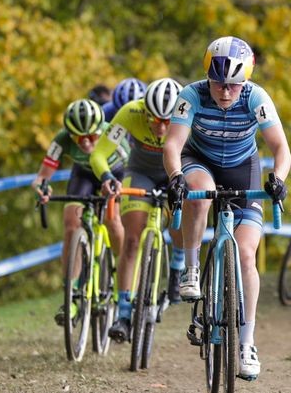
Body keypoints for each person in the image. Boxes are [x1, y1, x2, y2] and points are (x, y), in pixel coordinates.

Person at [162, 36, 291, 380]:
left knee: (246, 255)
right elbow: (173, 144)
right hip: (199, 161)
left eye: (234, 85)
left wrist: (278, 178)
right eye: (219, 83)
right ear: (209, 78)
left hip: (242, 166)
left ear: (244, 81)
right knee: (199, 191)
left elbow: (281, 149)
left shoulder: (256, 98)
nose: (225, 92)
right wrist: (175, 176)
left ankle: (247, 343)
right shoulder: (191, 95)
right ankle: (191, 269)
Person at [91, 78, 187, 342]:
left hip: (175, 172)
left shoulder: (190, 112)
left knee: (183, 212)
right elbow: (99, 154)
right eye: (155, 119)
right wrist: (108, 176)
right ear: (144, 110)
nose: (162, 127)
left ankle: (178, 268)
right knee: (131, 240)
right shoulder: (130, 112)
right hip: (140, 172)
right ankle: (123, 313)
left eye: (168, 121)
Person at [31, 98, 128, 325]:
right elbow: (42, 175)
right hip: (83, 174)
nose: (85, 143)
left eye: (92, 137)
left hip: (115, 172)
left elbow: (132, 166)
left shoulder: (113, 133)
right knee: (70, 224)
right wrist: (41, 187)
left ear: (100, 131)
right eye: (78, 138)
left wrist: (118, 189)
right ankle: (71, 294)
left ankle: (121, 269)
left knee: (112, 220)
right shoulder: (62, 138)